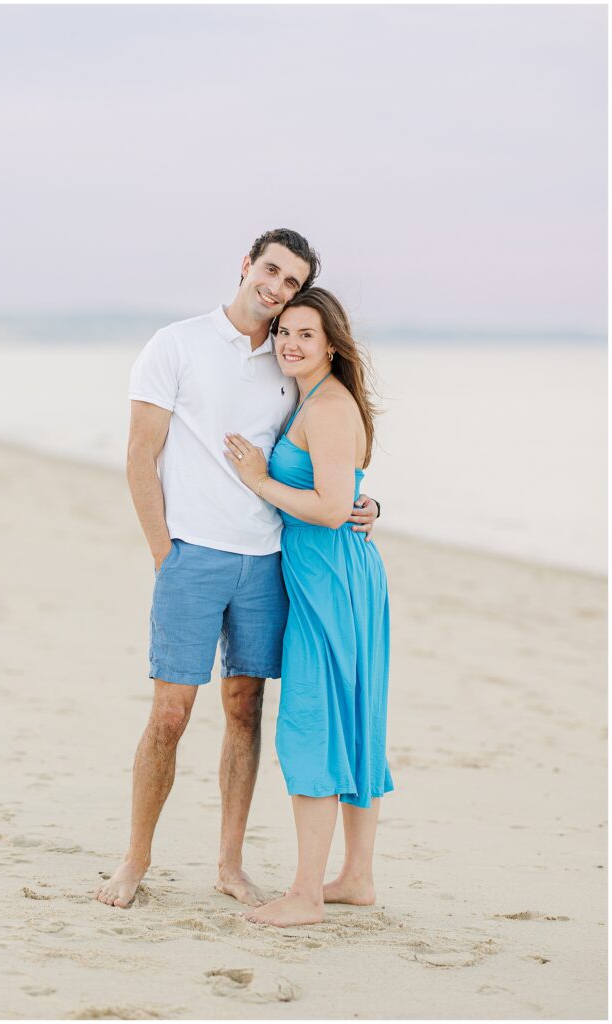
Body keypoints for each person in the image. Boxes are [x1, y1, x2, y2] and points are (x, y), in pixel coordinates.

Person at [95, 230, 381, 910]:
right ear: (246, 264)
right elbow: (140, 454)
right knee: (169, 713)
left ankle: (229, 864)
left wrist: (364, 503)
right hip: (191, 555)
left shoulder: (289, 360)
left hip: (267, 564)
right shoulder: (176, 344)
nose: (277, 288)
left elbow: (326, 451)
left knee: (244, 710)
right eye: (271, 270)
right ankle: (135, 860)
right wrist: (164, 551)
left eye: (290, 282)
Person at [223, 287, 393, 927]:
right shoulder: (318, 399)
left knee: (312, 724)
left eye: (306, 335)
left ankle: (306, 895)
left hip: (330, 584)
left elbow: (326, 508)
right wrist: (367, 505)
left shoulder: (325, 407)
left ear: (331, 345)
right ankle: (355, 877)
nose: (290, 344)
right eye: (285, 332)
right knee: (351, 721)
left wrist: (259, 481)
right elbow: (345, 493)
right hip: (340, 576)